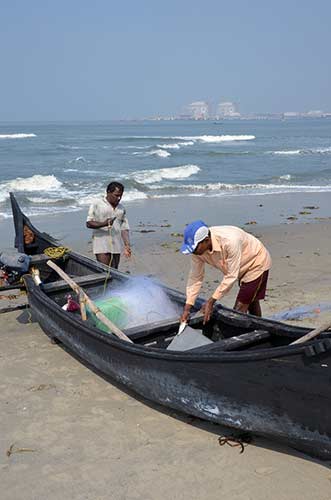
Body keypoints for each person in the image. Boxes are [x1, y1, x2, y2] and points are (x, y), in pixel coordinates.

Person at [180, 220, 271, 324]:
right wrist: (187, 308)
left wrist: (211, 301)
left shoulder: (230, 241)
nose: (194, 252)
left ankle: (244, 334)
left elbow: (231, 276)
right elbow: (195, 277)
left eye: (195, 248)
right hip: (239, 268)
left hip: (256, 263)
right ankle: (259, 326)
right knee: (251, 300)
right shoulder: (197, 252)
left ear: (206, 240)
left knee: (238, 310)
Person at [86, 181, 131, 268]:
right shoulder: (97, 204)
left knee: (114, 270)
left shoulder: (121, 208)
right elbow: (88, 223)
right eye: (116, 195)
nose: (119, 198)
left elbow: (124, 228)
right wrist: (104, 224)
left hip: (116, 244)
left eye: (120, 196)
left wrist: (127, 245)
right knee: (105, 270)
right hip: (101, 243)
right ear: (108, 192)